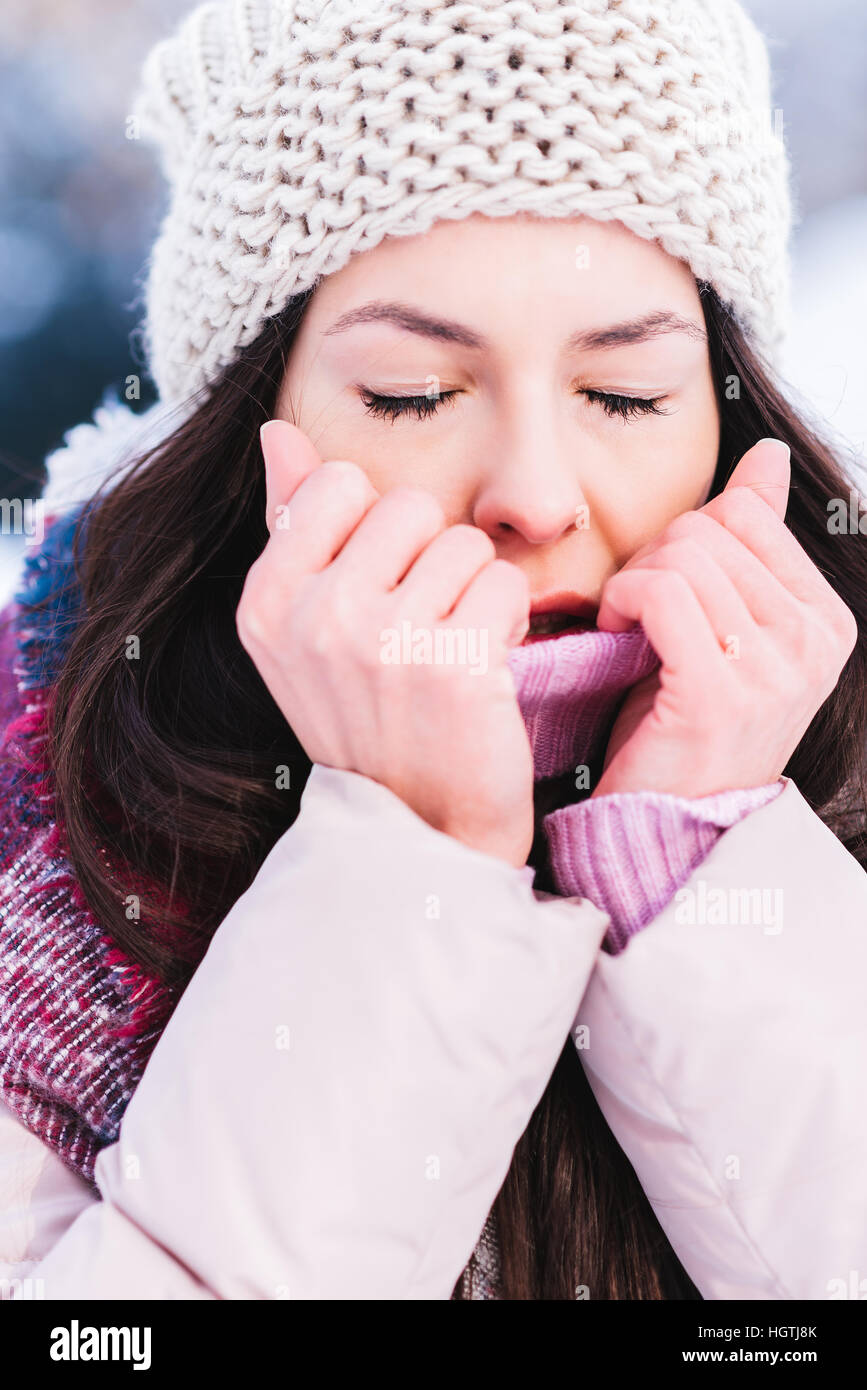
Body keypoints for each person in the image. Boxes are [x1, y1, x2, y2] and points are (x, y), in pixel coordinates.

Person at [2, 0, 866, 1302]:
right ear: (253, 432)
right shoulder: (40, 868)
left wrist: (698, 869)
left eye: (626, 394)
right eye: (413, 394)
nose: (534, 494)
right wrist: (407, 871)